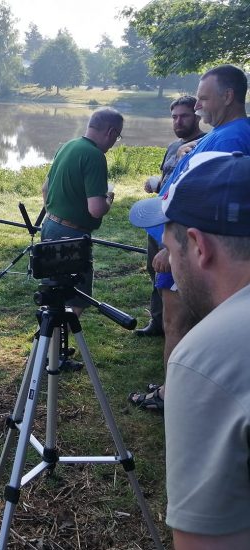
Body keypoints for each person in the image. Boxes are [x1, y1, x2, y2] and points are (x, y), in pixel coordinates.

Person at [129, 151, 250, 550]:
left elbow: (206, 543)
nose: (166, 263)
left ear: (198, 246)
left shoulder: (206, 359)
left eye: (168, 247)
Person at [128, 64, 250, 411]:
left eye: (203, 98)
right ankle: (175, 385)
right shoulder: (225, 133)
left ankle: (173, 397)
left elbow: (213, 203)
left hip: (187, 249)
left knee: (175, 322)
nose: (198, 107)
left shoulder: (230, 138)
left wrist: (173, 248)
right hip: (184, 244)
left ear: (228, 96)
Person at [41, 108, 122, 370]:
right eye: (117, 137)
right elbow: (96, 209)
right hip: (73, 237)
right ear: (110, 132)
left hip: (50, 226)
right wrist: (108, 198)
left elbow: (45, 188)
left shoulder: (68, 146)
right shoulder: (95, 156)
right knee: (75, 298)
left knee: (53, 294)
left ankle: (47, 349)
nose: (114, 142)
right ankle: (57, 356)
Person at [135, 96, 205, 338]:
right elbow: (170, 180)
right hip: (158, 223)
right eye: (174, 117)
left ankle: (181, 325)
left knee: (178, 275)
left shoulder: (203, 144)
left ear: (197, 115)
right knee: (154, 270)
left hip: (180, 225)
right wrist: (156, 185)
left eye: (184, 116)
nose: (178, 121)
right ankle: (158, 322)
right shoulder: (173, 146)